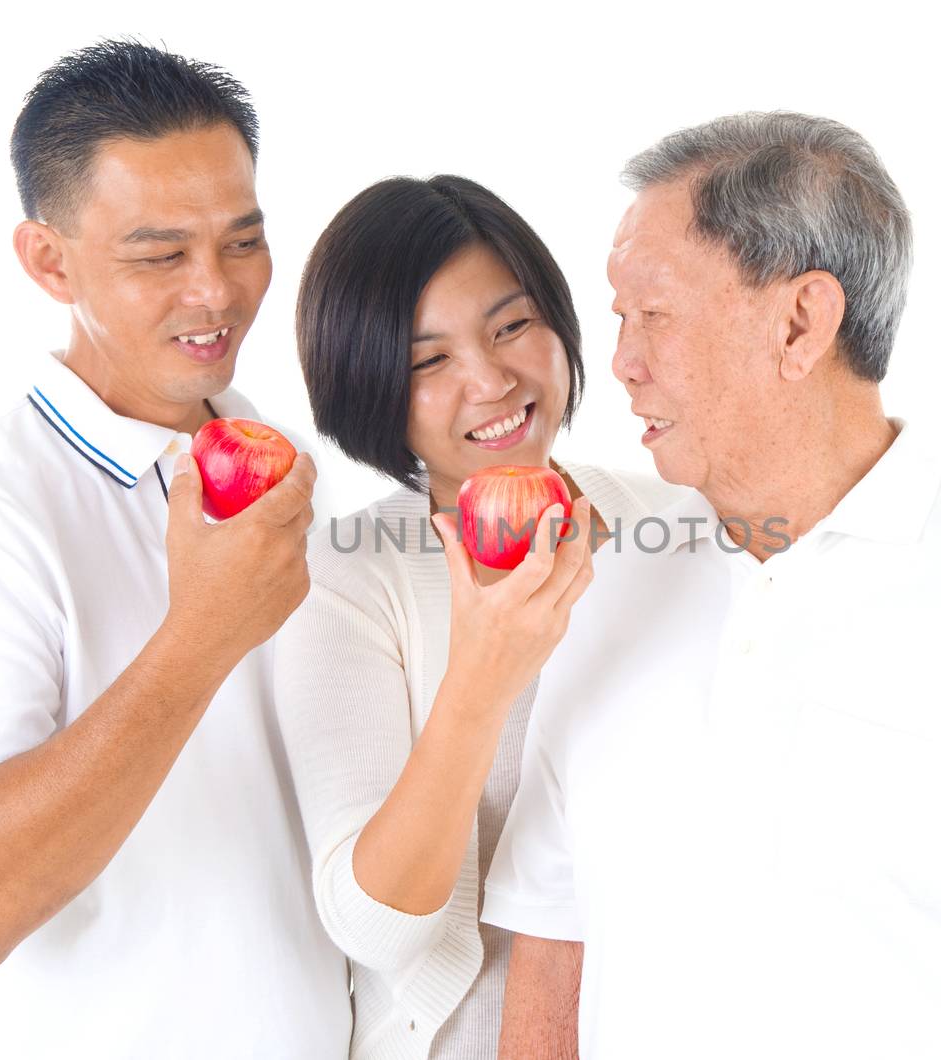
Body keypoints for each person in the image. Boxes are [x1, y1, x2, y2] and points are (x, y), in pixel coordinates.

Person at [483, 112, 941, 1059]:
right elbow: (551, 950)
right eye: (618, 321)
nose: (621, 363)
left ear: (800, 321)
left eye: (653, 315)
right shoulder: (608, 584)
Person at [0, 41, 350, 1058]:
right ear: (49, 261)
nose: (218, 293)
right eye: (161, 255)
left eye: (243, 241)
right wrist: (201, 633)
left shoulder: (275, 461)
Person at [274, 175, 690, 1058]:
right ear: (371, 387)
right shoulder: (350, 575)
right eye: (430, 362)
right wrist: (482, 675)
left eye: (511, 326)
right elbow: (376, 929)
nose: (493, 380)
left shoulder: (688, 525)